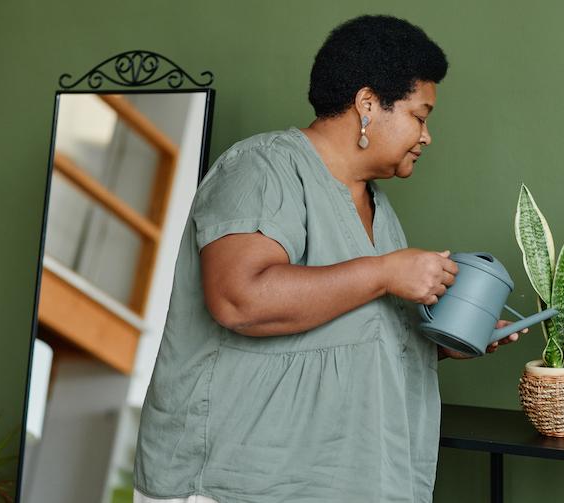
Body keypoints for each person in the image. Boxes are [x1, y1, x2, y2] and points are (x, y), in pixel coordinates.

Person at [133, 15, 525, 503]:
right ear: (366, 105)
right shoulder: (262, 168)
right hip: (238, 486)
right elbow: (239, 299)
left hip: (347, 482)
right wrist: (386, 272)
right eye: (420, 117)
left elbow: (355, 330)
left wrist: (449, 339)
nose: (427, 137)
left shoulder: (377, 208)